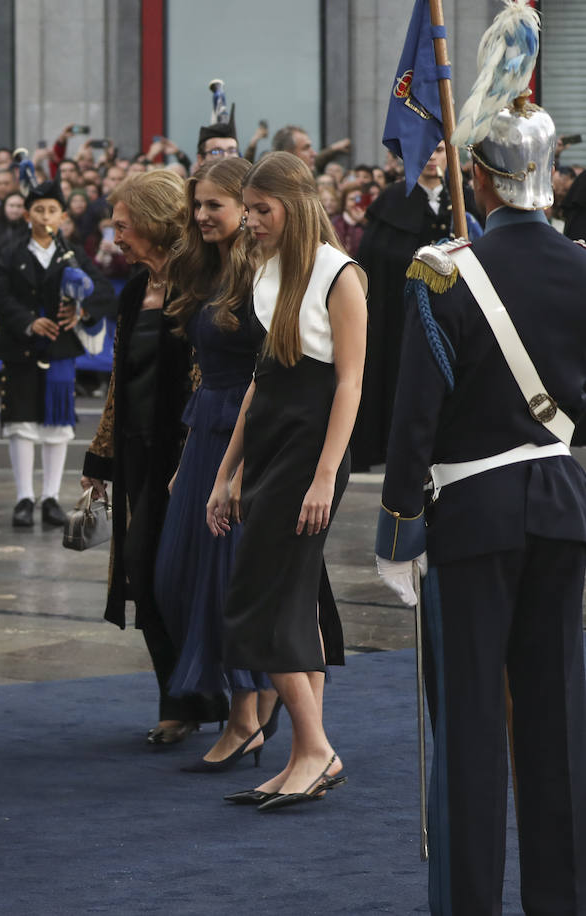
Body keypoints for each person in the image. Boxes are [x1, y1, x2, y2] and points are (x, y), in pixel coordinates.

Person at [377, 95, 586, 915]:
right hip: (562, 501)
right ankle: (562, 901)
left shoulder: (442, 270)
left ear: (481, 180)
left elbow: (414, 416)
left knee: (468, 728)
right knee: (557, 721)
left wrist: (399, 527)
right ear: (549, 176)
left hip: (471, 515)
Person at [206, 151, 366, 811]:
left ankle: (317, 747)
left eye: (261, 211)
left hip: (311, 450)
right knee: (291, 601)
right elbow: (259, 385)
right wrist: (226, 472)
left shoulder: (341, 275)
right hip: (271, 440)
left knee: (258, 602)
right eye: (247, 211)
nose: (250, 223)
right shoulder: (265, 272)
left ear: (296, 207)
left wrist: (326, 475)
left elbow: (351, 383)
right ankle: (306, 753)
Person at [82, 169, 229, 745]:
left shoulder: (207, 285)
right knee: (145, 574)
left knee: (189, 576)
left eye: (122, 225)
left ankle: (220, 697)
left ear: (150, 223)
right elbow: (120, 380)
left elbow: (211, 378)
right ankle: (177, 697)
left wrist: (202, 459)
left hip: (193, 456)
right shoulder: (130, 290)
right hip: (140, 457)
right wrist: (100, 464)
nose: (115, 236)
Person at [151, 159, 280, 767]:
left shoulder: (264, 273)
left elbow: (271, 374)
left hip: (246, 432)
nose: (202, 215)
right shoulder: (204, 269)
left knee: (227, 580)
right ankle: (256, 700)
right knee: (176, 576)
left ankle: (246, 715)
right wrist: (189, 454)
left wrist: (241, 465)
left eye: (215, 206)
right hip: (205, 430)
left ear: (246, 209)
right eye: (196, 204)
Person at [0, 179, 113, 528]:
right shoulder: (13, 252)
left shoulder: (72, 252)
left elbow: (103, 291)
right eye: (39, 210)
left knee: (57, 425)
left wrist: (81, 311)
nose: (45, 216)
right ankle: (24, 497)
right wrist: (30, 322)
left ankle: (50, 497)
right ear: (27, 214)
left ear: (62, 216)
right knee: (22, 423)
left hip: (60, 350)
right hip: (21, 349)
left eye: (52, 210)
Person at [353, 142, 462, 472]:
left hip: (454, 316)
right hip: (398, 316)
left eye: (441, 150)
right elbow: (373, 261)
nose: (433, 157)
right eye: (426, 150)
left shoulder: (461, 199)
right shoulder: (391, 200)